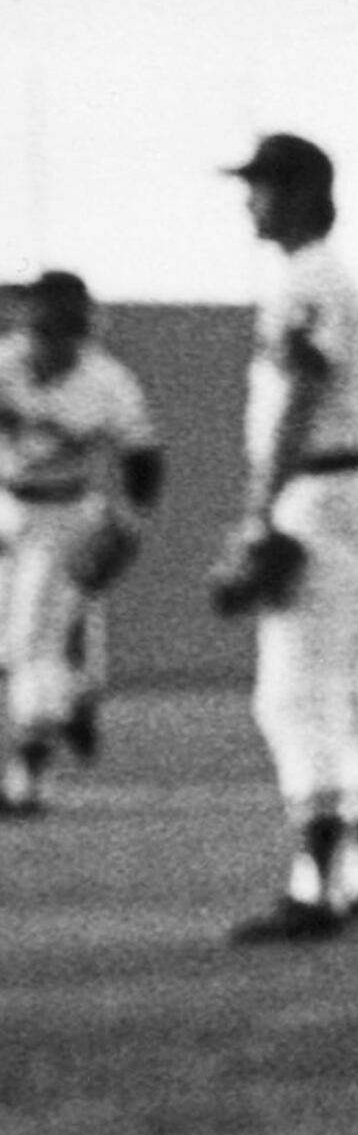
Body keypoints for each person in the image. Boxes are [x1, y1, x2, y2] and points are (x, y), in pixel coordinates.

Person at [224, 132, 358, 939]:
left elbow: (302, 389)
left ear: (301, 191)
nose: (249, 199)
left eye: (262, 184)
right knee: (356, 690)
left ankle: (316, 889)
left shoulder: (307, 276)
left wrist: (259, 510)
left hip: (324, 493)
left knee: (294, 695)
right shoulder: (332, 277)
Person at [0, 271, 164, 814]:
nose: (53, 341)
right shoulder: (6, 363)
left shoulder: (107, 382)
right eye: (44, 328)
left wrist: (131, 523)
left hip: (65, 512)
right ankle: (77, 697)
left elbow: (143, 459)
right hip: (7, 504)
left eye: (65, 330)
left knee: (34, 644)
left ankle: (30, 774)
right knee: (15, 644)